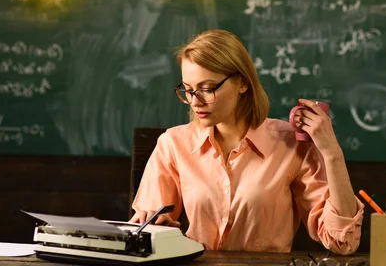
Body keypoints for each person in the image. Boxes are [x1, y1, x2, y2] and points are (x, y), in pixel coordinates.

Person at [129, 29, 364, 253]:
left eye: (208, 88)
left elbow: (342, 242)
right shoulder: (173, 143)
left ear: (242, 83)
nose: (195, 101)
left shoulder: (291, 145)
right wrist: (158, 229)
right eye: (188, 90)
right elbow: (149, 228)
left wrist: (332, 153)